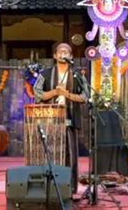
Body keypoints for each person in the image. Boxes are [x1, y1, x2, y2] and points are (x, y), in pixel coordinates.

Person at [34, 43, 87, 193]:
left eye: (66, 52)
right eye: (60, 51)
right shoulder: (45, 74)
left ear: (71, 57)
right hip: (50, 121)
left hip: (69, 120)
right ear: (55, 56)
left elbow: (85, 96)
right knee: (50, 154)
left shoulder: (77, 75)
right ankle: (49, 188)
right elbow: (37, 93)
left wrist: (67, 95)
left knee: (70, 155)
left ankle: (69, 188)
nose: (63, 54)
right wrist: (55, 93)